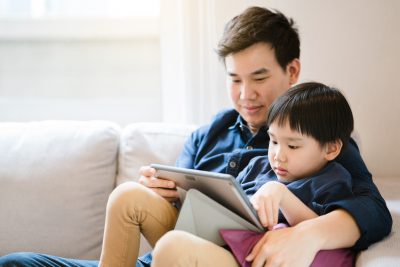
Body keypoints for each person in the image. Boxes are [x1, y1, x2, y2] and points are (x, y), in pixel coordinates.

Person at [0, 6, 391, 267]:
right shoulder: (210, 133)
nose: (245, 94)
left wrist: (309, 234)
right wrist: (161, 189)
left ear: (292, 71)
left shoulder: (317, 140)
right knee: (18, 262)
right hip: (167, 251)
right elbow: (172, 215)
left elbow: (374, 211)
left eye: (258, 78)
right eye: (234, 79)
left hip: (207, 256)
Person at [151, 82, 357, 266]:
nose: (278, 156)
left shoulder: (332, 179)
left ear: (330, 149)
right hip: (227, 245)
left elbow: (321, 232)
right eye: (274, 141)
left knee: (172, 245)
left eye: (293, 146)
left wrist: (282, 195)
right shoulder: (258, 166)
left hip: (262, 258)